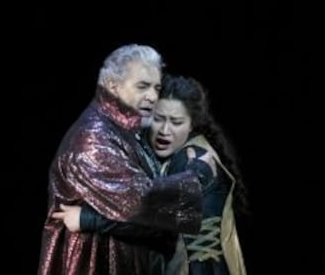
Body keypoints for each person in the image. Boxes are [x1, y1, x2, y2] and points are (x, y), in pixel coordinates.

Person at [38, 45, 215, 275]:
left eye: (156, 88)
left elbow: (158, 219)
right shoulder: (93, 140)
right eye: (142, 86)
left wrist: (88, 219)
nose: (152, 96)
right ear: (113, 85)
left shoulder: (127, 129)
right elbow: (144, 206)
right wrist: (197, 175)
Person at [54, 74, 248, 275]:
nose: (165, 130)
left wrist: (86, 219)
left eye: (176, 122)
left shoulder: (194, 162)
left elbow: (154, 221)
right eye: (158, 119)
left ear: (191, 125)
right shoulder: (171, 158)